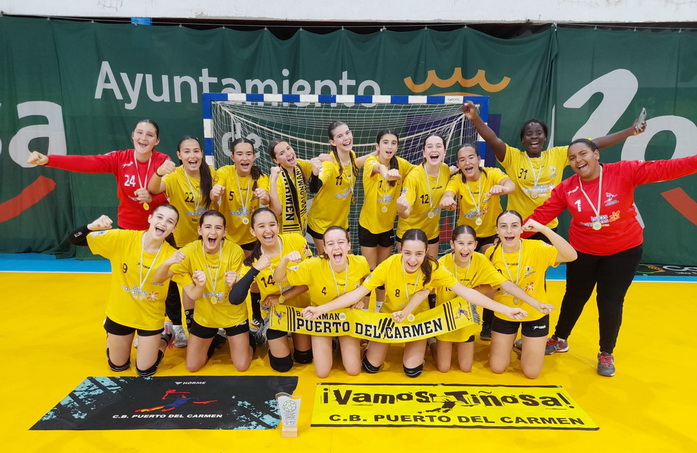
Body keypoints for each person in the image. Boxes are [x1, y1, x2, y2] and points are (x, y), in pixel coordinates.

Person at [527, 138, 697, 377]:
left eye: (583, 154)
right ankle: (560, 338)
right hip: (583, 250)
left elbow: (666, 168)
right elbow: (541, 215)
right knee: (574, 296)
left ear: (596, 154)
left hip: (623, 250)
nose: (578, 161)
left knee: (610, 300)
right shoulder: (567, 188)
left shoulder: (624, 171)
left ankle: (606, 352)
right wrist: (508, 234)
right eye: (572, 158)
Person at [304, 228, 528, 378]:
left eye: (419, 254)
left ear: (426, 253)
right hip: (390, 321)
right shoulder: (388, 265)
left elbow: (468, 293)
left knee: (412, 371)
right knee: (371, 368)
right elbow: (357, 294)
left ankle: (429, 344)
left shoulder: (435, 268)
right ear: (400, 250)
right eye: (408, 253)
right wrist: (320, 309)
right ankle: (358, 347)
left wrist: (505, 309)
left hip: (418, 322)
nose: (413, 259)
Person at [460, 101, 646, 239]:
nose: (534, 137)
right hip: (518, 226)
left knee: (539, 273)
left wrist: (630, 132)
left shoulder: (557, 154)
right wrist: (475, 118)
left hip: (547, 226)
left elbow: (593, 144)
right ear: (523, 139)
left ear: (545, 138)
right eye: (529, 134)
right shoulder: (513, 157)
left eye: (539, 133)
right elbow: (493, 139)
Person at [66, 205, 180, 376]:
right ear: (150, 218)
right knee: (117, 366)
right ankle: (111, 332)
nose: (163, 223)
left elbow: (188, 288)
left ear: (174, 228)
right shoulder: (123, 238)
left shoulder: (172, 256)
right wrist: (91, 227)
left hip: (149, 318)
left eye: (169, 221)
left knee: (145, 371)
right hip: (121, 313)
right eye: (159, 217)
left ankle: (165, 335)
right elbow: (73, 239)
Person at [433, 225, 551, 373]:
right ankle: (431, 342)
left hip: (465, 320)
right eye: (460, 243)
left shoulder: (481, 261)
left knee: (465, 367)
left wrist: (535, 303)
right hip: (445, 320)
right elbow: (425, 291)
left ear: (476, 244)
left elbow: (504, 283)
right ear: (452, 244)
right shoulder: (441, 264)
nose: (465, 249)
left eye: (470, 243)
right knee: (443, 367)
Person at [152, 210, 254, 372]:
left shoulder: (235, 251)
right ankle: (216, 339)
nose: (213, 232)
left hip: (233, 316)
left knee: (242, 365)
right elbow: (157, 279)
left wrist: (235, 282)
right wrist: (167, 263)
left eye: (218, 228)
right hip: (205, 317)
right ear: (200, 230)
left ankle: (250, 340)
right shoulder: (190, 250)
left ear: (224, 232)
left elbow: (237, 295)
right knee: (192, 366)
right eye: (208, 227)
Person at [27, 119, 169, 230]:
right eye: (139, 132)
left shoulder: (163, 161)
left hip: (158, 228)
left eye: (150, 135)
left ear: (157, 141)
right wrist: (49, 160)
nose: (143, 138)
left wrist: (151, 199)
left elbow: (171, 193)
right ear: (133, 135)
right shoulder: (120, 158)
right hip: (127, 227)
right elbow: (86, 163)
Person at [484, 211, 577, 379]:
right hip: (505, 313)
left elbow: (571, 255)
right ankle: (509, 344)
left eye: (514, 226)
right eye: (503, 226)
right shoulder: (491, 253)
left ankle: (525, 345)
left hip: (535, 313)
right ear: (497, 230)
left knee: (531, 372)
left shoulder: (537, 247)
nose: (509, 231)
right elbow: (488, 287)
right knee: (497, 367)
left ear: (522, 229)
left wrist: (543, 229)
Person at [439, 143, 515, 339]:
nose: (467, 162)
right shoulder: (457, 180)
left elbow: (511, 185)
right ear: (458, 164)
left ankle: (488, 323)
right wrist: (447, 199)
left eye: (471, 157)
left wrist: (503, 188)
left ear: (478, 159)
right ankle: (457, 315)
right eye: (462, 160)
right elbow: (447, 194)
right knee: (461, 277)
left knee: (492, 275)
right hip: (467, 238)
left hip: (490, 234)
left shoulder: (491, 174)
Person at [273, 226, 371, 377]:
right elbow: (278, 278)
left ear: (349, 245)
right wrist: (285, 259)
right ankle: (333, 342)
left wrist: (361, 299)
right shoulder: (313, 265)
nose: (336, 247)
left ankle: (344, 345)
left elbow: (367, 284)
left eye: (341, 242)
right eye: (330, 244)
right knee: (322, 372)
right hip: (322, 318)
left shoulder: (361, 262)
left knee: (353, 370)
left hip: (347, 317)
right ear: (324, 248)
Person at [148, 136, 215, 348]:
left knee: (205, 280)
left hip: (206, 240)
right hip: (181, 241)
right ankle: (183, 324)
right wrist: (159, 172)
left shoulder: (211, 173)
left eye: (196, 151)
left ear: (202, 153)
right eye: (187, 151)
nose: (192, 155)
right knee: (181, 284)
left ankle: (211, 321)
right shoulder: (174, 175)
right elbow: (154, 188)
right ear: (179, 155)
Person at [229, 208, 313, 373]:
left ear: (278, 226)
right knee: (283, 366)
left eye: (272, 225)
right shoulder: (252, 261)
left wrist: (282, 297)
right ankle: (259, 337)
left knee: (304, 358)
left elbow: (312, 280)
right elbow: (235, 298)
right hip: (276, 314)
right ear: (253, 231)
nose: (268, 230)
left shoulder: (296, 241)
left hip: (301, 310)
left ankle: (297, 336)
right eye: (261, 226)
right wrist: (256, 269)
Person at [359, 129, 415, 308]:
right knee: (370, 271)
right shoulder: (371, 161)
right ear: (377, 146)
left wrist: (447, 170)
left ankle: (379, 308)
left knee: (383, 270)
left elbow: (420, 172)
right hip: (368, 226)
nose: (389, 146)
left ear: (397, 147)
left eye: (393, 143)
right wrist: (386, 173)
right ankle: (364, 311)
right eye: (385, 142)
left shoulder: (402, 164)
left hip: (387, 227)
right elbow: (378, 167)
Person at [210, 137, 271, 255]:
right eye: (239, 154)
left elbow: (266, 201)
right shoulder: (225, 172)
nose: (245, 158)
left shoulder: (260, 177)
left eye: (248, 154)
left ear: (254, 157)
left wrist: (264, 196)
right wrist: (215, 192)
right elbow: (214, 197)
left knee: (249, 265)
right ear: (233, 157)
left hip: (250, 236)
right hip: (227, 235)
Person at [307, 122, 360, 256]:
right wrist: (314, 174)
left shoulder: (352, 155)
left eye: (347, 133)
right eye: (340, 136)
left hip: (341, 222)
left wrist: (377, 153)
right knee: (327, 260)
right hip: (322, 224)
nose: (346, 138)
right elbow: (314, 188)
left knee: (347, 259)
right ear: (332, 142)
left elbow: (356, 163)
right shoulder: (329, 163)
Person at [396, 134, 451, 259]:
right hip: (410, 233)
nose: (434, 150)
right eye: (429, 146)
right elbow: (406, 213)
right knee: (408, 268)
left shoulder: (445, 170)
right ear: (424, 153)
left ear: (444, 152)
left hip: (431, 233)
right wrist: (401, 209)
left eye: (438, 146)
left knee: (431, 267)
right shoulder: (414, 177)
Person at [267, 140, 315, 234]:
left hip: (301, 227)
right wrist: (273, 181)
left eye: (288, 148)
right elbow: (275, 212)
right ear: (276, 160)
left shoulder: (299, 166)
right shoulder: (277, 178)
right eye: (282, 153)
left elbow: (315, 163)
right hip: (286, 233)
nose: (288, 153)